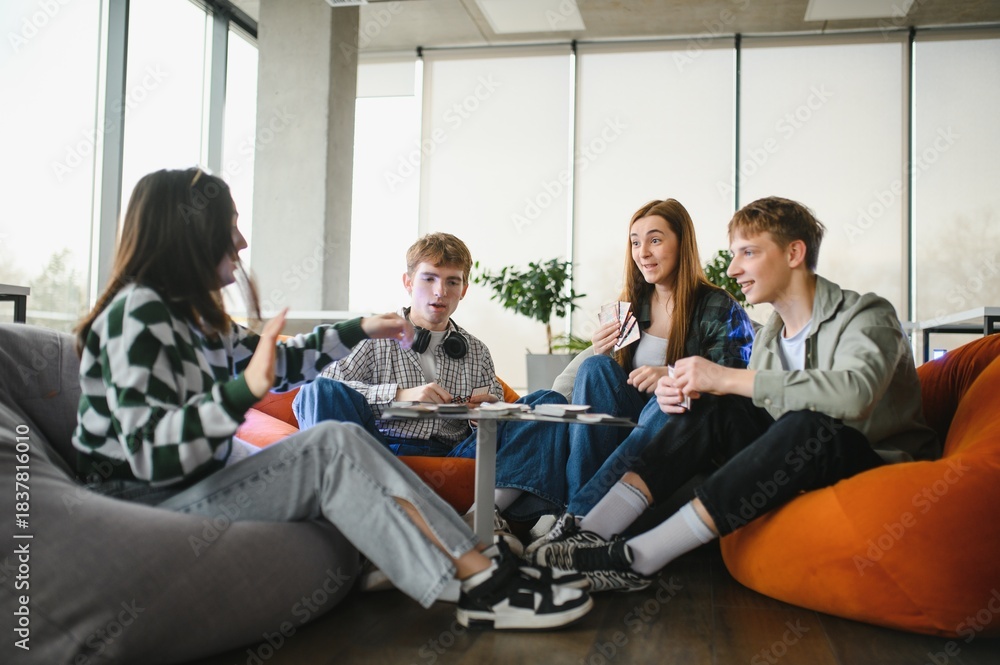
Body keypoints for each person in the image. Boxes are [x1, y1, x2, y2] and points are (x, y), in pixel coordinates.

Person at [71, 167, 592, 630]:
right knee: (334, 440)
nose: (242, 240)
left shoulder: (191, 316)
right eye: (230, 224)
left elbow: (284, 364)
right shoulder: (138, 315)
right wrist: (243, 391)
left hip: (203, 478)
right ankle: (483, 579)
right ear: (188, 230)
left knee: (338, 439)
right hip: (147, 503)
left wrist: (360, 326)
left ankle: (482, 573)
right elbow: (152, 456)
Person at [528, 196, 939, 592]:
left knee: (807, 422)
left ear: (793, 253)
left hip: (867, 459)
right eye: (733, 253)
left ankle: (637, 557)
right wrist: (685, 396)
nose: (734, 267)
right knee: (708, 404)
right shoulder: (772, 337)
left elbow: (854, 396)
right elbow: (753, 415)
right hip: (789, 454)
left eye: (748, 253)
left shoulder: (866, 315)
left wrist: (722, 378)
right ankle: (587, 529)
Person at [490, 199, 754, 529]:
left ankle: (577, 520)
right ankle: (572, 516)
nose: (642, 252)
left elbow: (729, 384)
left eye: (655, 240)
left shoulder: (717, 306)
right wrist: (602, 351)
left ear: (682, 244)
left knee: (665, 398)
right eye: (635, 242)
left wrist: (670, 377)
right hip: (624, 423)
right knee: (594, 368)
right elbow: (602, 385)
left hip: (674, 427)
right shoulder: (630, 305)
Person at [292, 232, 563, 459]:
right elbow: (319, 392)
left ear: (464, 290)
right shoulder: (372, 335)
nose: (440, 291)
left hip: (454, 453)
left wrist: (485, 416)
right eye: (429, 278)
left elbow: (497, 418)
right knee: (319, 388)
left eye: (452, 282)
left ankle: (491, 509)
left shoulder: (477, 351)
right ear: (408, 282)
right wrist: (401, 395)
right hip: (382, 449)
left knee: (548, 401)